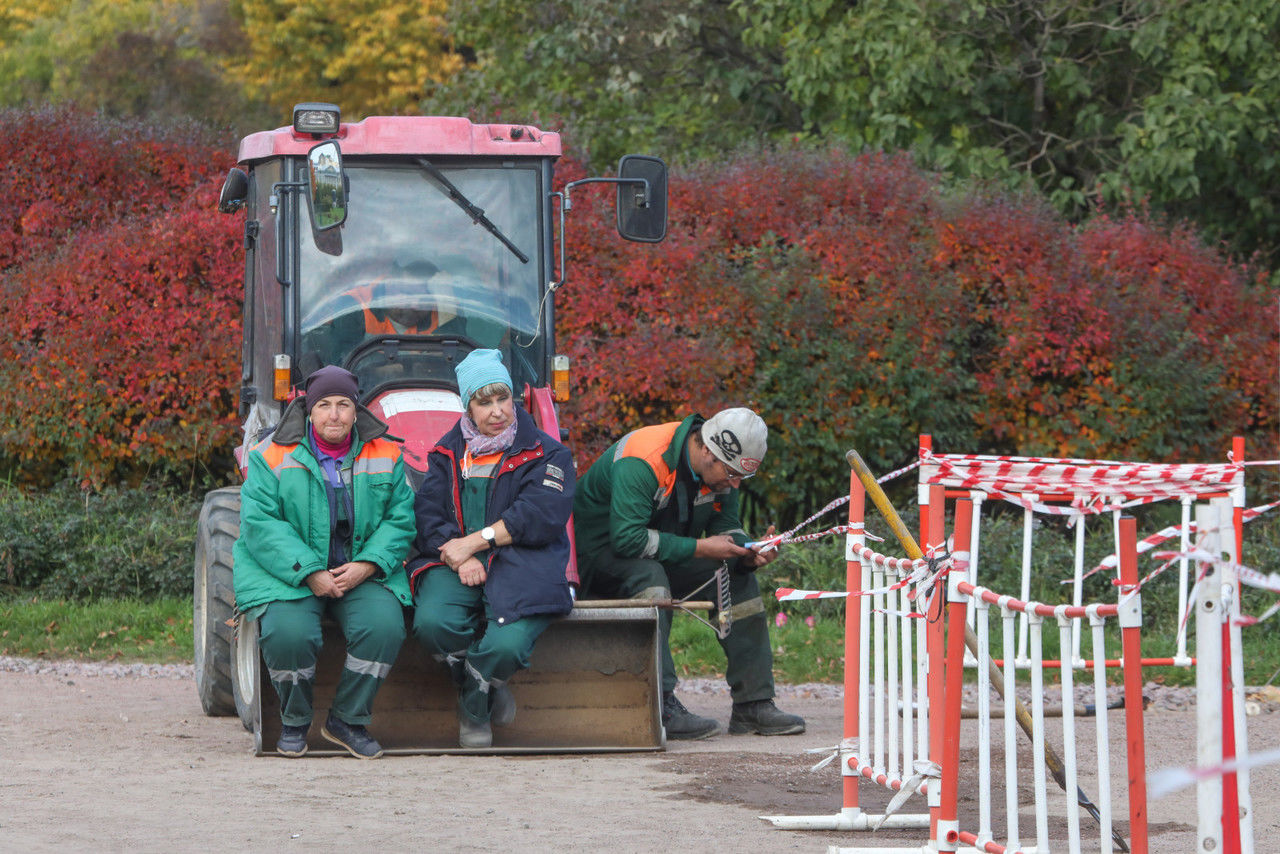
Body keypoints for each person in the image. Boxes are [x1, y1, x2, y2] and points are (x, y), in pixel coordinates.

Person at [573, 407, 805, 740]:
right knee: (651, 577)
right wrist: (699, 548)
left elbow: (726, 528)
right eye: (731, 473)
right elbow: (627, 540)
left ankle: (753, 704)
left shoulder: (723, 467)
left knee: (731, 572)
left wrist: (748, 552)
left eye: (743, 477)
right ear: (708, 451)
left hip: (656, 553)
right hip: (597, 559)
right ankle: (661, 703)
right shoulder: (643, 459)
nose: (735, 483)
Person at [233, 365, 415, 759]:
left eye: (344, 405)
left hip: (361, 570)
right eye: (325, 405)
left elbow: (400, 520)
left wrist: (368, 564)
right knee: (288, 634)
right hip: (289, 574)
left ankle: (347, 720)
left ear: (356, 411)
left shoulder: (386, 454)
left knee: (384, 627)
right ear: (309, 411)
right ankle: (295, 720)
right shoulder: (270, 456)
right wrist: (310, 571)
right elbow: (260, 524)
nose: (335, 414)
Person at [408, 348, 576, 748]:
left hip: (524, 560)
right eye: (485, 402)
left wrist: (475, 542)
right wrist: (456, 551)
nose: (497, 411)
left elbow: (539, 514)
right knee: (432, 624)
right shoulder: (446, 453)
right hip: (456, 562)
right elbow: (428, 513)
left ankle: (473, 704)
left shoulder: (550, 454)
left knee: (507, 644)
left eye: (503, 399)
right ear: (468, 407)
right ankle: (486, 689)